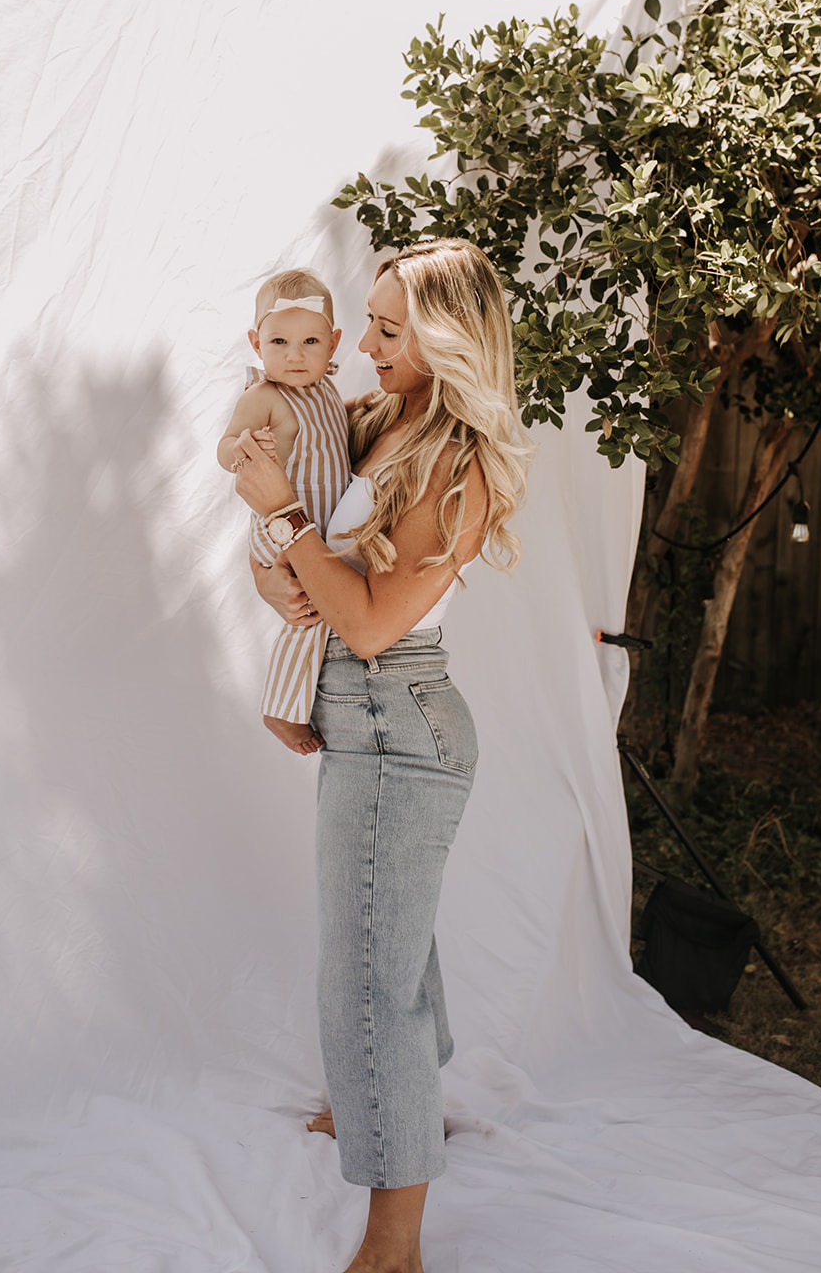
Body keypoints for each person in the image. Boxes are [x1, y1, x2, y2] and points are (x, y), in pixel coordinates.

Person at [229, 239, 530, 1273]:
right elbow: (303, 542)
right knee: (386, 942)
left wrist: (279, 520)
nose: (361, 344)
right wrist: (270, 569)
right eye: (365, 320)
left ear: (446, 341)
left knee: (366, 981)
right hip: (365, 719)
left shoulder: (458, 464)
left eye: (388, 329)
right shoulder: (372, 418)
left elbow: (365, 623)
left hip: (399, 723)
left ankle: (393, 1240)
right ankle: (394, 1101)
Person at [217, 269, 351, 756]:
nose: (294, 355)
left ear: (334, 343)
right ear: (256, 342)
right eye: (279, 341)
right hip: (280, 526)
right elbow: (224, 446)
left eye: (310, 340)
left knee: (330, 602)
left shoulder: (327, 393)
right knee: (311, 610)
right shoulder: (264, 396)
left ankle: (308, 690)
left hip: (317, 523)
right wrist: (243, 447)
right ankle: (281, 707)